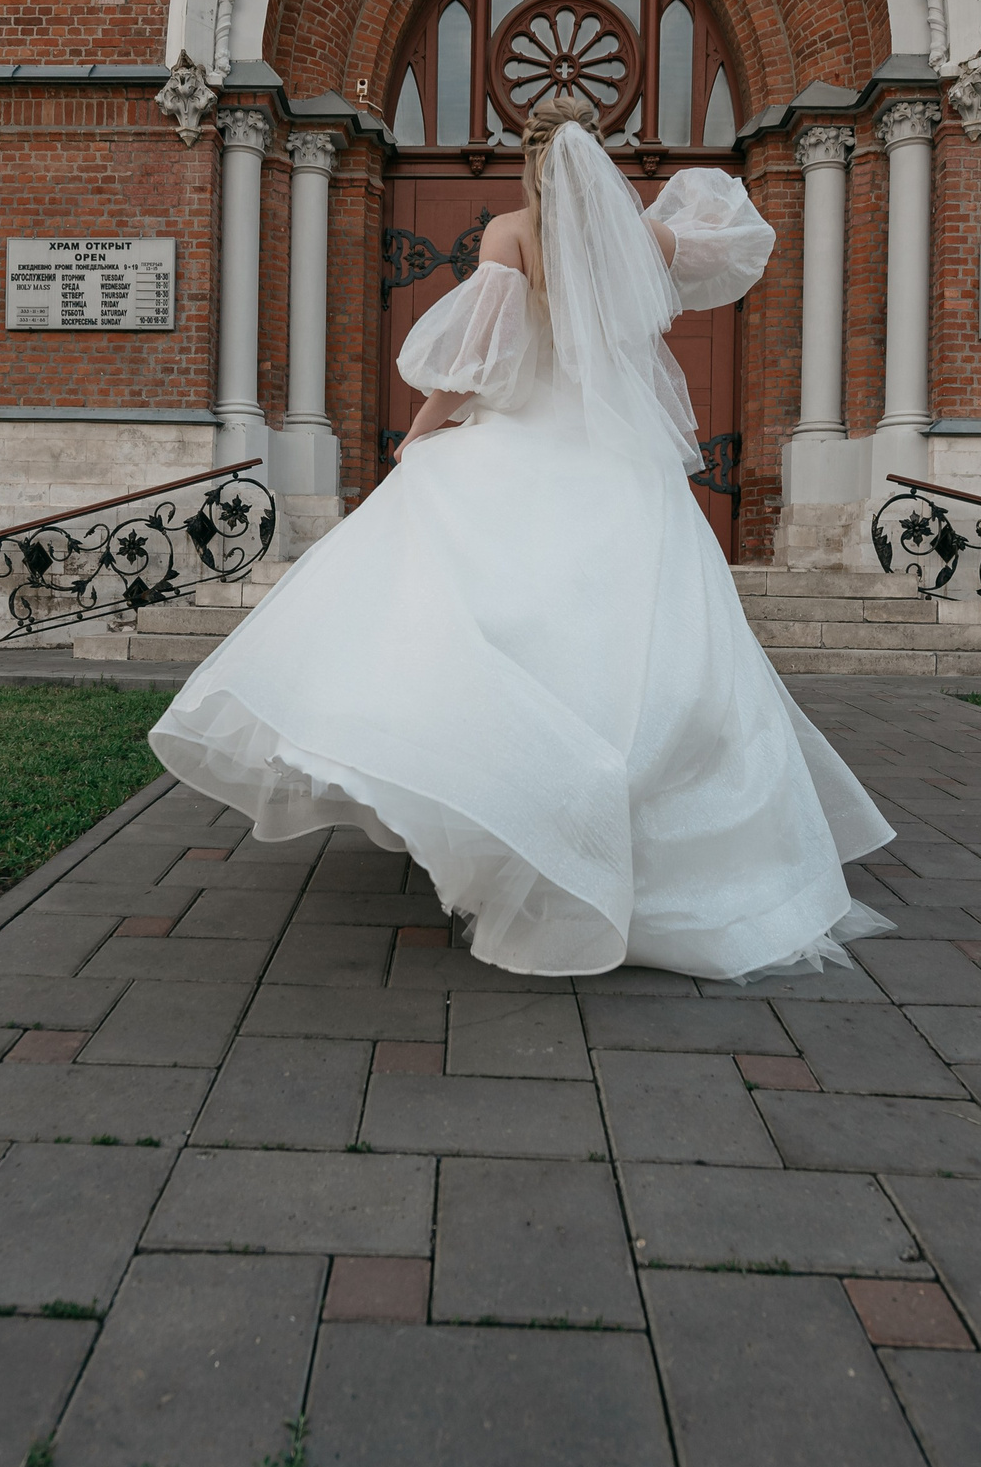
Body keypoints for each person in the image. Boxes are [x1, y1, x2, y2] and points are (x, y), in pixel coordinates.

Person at [148, 91, 896, 981]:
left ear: (529, 162)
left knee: (483, 623)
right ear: (597, 158)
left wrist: (415, 447)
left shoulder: (511, 233)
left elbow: (471, 372)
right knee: (636, 660)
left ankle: (525, 813)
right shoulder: (640, 241)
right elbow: (736, 245)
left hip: (527, 450)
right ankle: (649, 847)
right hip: (624, 471)